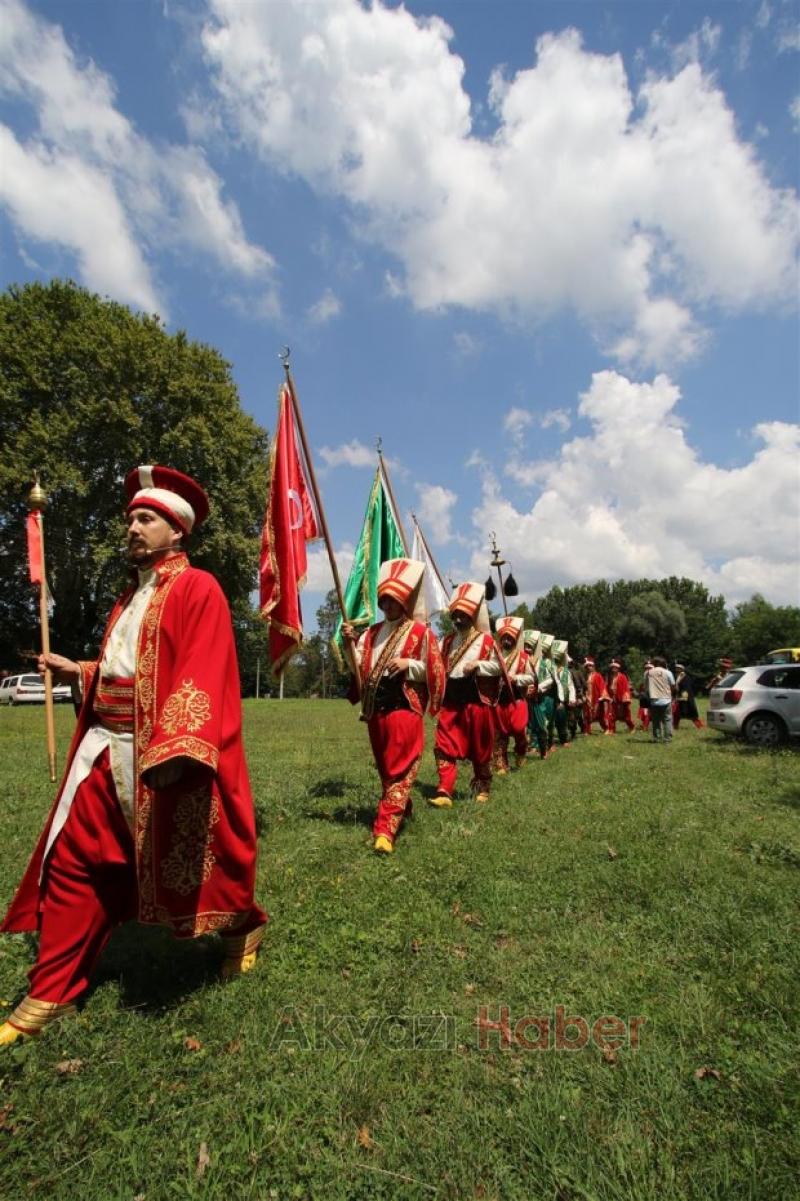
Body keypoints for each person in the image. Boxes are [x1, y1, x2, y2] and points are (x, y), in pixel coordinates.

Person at [0, 466, 266, 1046]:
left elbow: (204, 668)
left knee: (204, 863)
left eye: (145, 519)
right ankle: (52, 988)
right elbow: (128, 669)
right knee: (75, 859)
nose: (132, 528)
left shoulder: (199, 588)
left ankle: (241, 926)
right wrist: (85, 672)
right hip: (103, 750)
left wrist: (178, 747)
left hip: (166, 755)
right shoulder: (129, 596)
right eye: (130, 519)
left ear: (177, 529)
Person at [343, 558, 444, 853]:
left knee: (399, 769)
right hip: (376, 710)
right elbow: (359, 668)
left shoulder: (421, 633)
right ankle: (403, 806)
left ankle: (384, 830)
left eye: (394, 600)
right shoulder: (370, 634)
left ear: (405, 602)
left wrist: (409, 664)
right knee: (388, 770)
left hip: (405, 708)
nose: (388, 606)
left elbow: (436, 670)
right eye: (384, 600)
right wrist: (350, 645)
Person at [431, 583, 506, 806]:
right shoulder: (446, 641)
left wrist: (479, 665)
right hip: (452, 700)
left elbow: (498, 668)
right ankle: (445, 789)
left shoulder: (487, 641)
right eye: (455, 615)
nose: (458, 619)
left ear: (472, 615)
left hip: (476, 700)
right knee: (442, 745)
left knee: (480, 748)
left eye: (463, 615)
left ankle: (483, 784)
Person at [492, 616, 534, 773]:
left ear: (515, 639)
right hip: (499, 700)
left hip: (516, 699)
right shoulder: (494, 656)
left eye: (510, 637)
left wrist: (516, 678)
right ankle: (501, 764)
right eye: (504, 637)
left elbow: (531, 678)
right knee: (500, 734)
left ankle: (521, 751)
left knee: (518, 729)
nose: (507, 640)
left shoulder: (523, 658)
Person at [530, 634, 558, 758]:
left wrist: (539, 688)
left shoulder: (545, 663)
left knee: (544, 723)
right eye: (525, 646)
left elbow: (551, 680)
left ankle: (545, 746)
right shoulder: (522, 659)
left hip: (544, 697)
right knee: (530, 724)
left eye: (530, 647)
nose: (527, 649)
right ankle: (533, 746)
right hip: (527, 697)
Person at [646, 656, 676, 743]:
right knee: (667, 720)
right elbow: (673, 685)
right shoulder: (668, 672)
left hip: (654, 700)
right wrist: (672, 694)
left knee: (655, 721)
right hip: (666, 699)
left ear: (655, 663)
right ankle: (667, 739)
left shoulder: (649, 673)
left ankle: (656, 738)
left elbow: (646, 687)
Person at [552, 640, 576, 747]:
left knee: (562, 720)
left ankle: (564, 740)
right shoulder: (550, 668)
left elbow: (570, 686)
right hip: (551, 698)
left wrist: (572, 698)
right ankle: (548, 742)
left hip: (563, 700)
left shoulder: (566, 672)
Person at [583, 657, 611, 734]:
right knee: (587, 715)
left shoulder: (598, 676)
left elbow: (602, 686)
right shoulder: (585, 676)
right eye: (587, 666)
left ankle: (606, 728)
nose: (589, 668)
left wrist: (603, 697)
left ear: (593, 666)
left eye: (590, 666)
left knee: (600, 715)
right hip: (587, 698)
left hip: (596, 699)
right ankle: (587, 730)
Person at [607, 659, 635, 733]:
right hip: (613, 698)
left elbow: (626, 688)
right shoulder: (610, 677)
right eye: (612, 667)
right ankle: (612, 729)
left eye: (615, 667)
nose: (613, 669)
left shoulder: (622, 676)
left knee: (626, 715)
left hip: (621, 698)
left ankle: (632, 727)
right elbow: (608, 686)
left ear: (618, 668)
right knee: (612, 714)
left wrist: (625, 698)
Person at [673, 664, 704, 729]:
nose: (676, 669)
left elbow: (686, 688)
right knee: (676, 714)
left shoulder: (685, 677)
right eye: (676, 668)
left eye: (678, 668)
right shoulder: (678, 677)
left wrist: (683, 697)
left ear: (682, 669)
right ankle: (675, 727)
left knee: (692, 715)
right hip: (680, 698)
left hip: (686, 699)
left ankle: (700, 726)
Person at [636, 661, 653, 730]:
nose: (648, 669)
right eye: (646, 668)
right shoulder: (645, 674)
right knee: (646, 711)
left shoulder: (655, 674)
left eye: (649, 668)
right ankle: (645, 725)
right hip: (647, 695)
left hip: (654, 695)